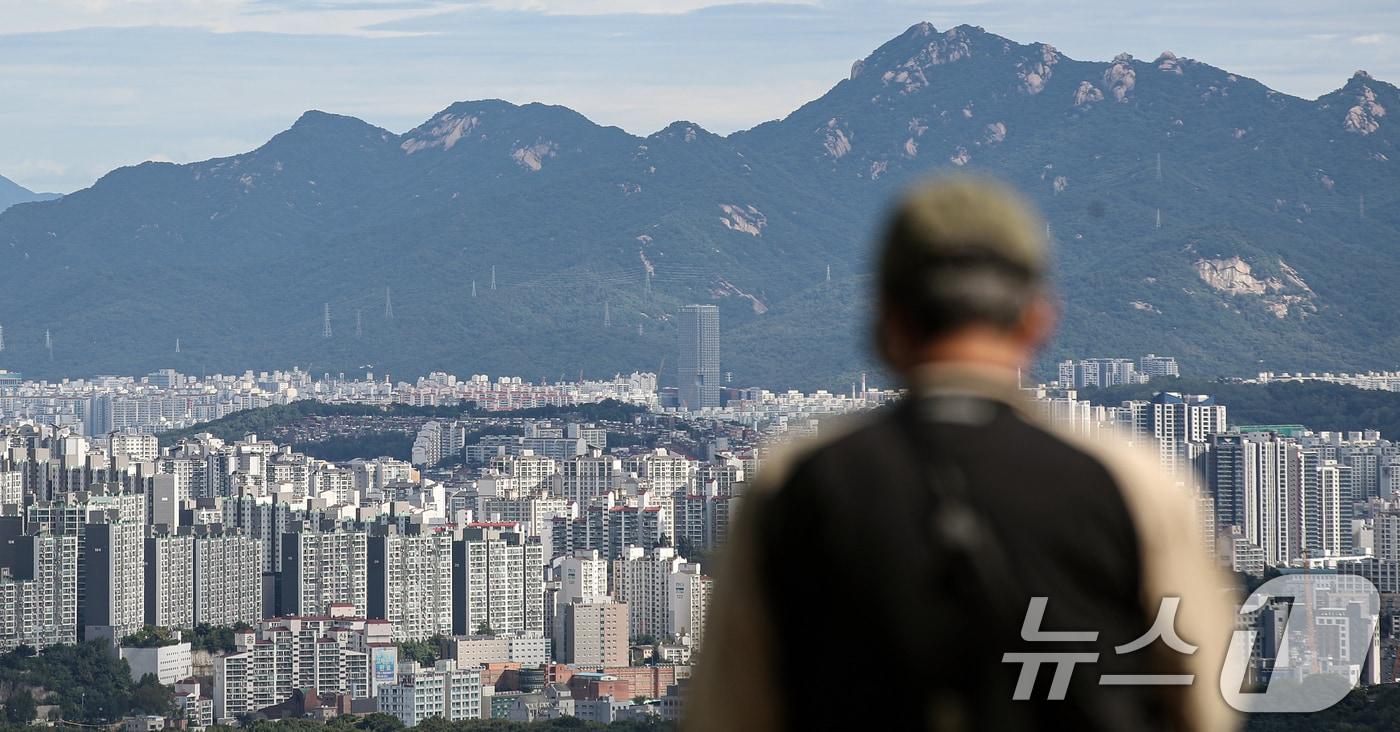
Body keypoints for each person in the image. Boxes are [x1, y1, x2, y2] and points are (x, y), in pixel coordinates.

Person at [687, 177, 1237, 731]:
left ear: (887, 323)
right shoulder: (1133, 480)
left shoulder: (795, 481)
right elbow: (1206, 702)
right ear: (1037, 320)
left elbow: (729, 709)